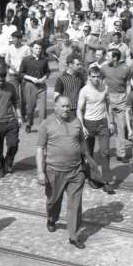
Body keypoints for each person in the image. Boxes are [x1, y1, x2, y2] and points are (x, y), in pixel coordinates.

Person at [36, 96, 94, 249]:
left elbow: (82, 143)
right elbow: (40, 149)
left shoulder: (76, 121)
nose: (67, 109)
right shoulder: (46, 124)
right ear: (55, 107)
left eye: (68, 106)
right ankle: (51, 218)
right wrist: (40, 172)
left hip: (76, 171)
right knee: (53, 201)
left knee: (75, 204)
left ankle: (74, 236)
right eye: (63, 106)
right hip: (54, 171)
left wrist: (87, 161)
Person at [76, 65, 117, 194]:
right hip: (89, 124)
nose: (96, 79)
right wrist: (82, 126)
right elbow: (79, 110)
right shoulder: (84, 91)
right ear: (89, 77)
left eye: (98, 77)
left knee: (105, 152)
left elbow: (108, 106)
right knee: (88, 153)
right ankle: (91, 177)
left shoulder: (105, 88)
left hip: (102, 123)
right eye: (93, 77)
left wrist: (111, 122)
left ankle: (106, 182)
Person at [101, 49, 133, 162]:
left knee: (121, 128)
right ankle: (105, 151)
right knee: (107, 127)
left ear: (115, 58)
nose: (106, 58)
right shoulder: (103, 68)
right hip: (108, 99)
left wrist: (127, 98)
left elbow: (128, 84)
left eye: (108, 56)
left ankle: (121, 153)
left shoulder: (126, 68)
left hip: (121, 99)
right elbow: (101, 82)